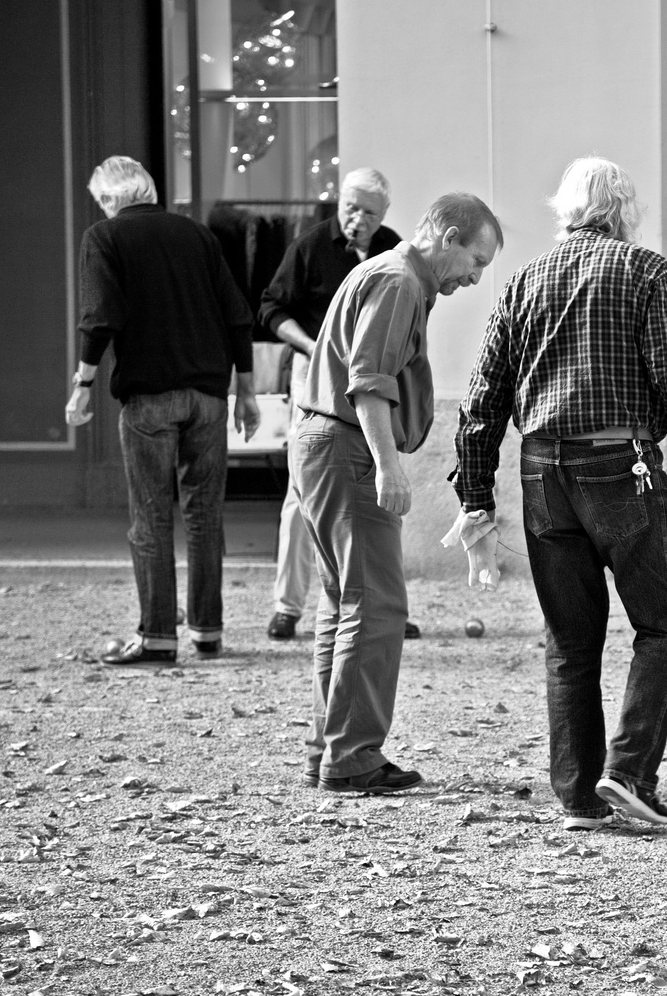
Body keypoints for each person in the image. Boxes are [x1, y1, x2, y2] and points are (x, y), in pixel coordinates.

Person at [453, 157, 667, 831]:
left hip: (542, 470)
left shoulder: (521, 282)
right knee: (663, 625)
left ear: (565, 209)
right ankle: (629, 773)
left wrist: (475, 492)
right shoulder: (645, 270)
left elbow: (483, 399)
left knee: (569, 642)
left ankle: (577, 798)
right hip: (619, 463)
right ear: (623, 209)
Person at [294, 191, 502, 794]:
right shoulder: (399, 282)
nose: (475, 276)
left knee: (344, 603)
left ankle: (330, 749)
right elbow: (369, 384)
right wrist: (389, 466)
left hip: (324, 445)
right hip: (347, 449)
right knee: (379, 605)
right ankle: (354, 756)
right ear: (445, 235)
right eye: (476, 260)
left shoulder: (385, 274)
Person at [64, 156, 260, 666]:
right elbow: (237, 314)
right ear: (148, 190)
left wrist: (83, 384)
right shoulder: (196, 235)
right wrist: (249, 390)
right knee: (204, 515)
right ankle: (208, 632)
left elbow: (98, 317)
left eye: (100, 202)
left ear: (109, 199)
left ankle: (157, 638)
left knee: (150, 517)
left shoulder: (104, 238)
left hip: (149, 396)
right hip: (208, 397)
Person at [256, 167, 422, 643]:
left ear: (384, 214)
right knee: (301, 492)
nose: (357, 219)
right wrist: (314, 346)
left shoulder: (393, 247)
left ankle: (381, 601)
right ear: (339, 203)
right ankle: (288, 607)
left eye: (368, 212)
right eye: (351, 208)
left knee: (379, 484)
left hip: (373, 377)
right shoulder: (309, 246)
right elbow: (271, 309)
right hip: (315, 371)